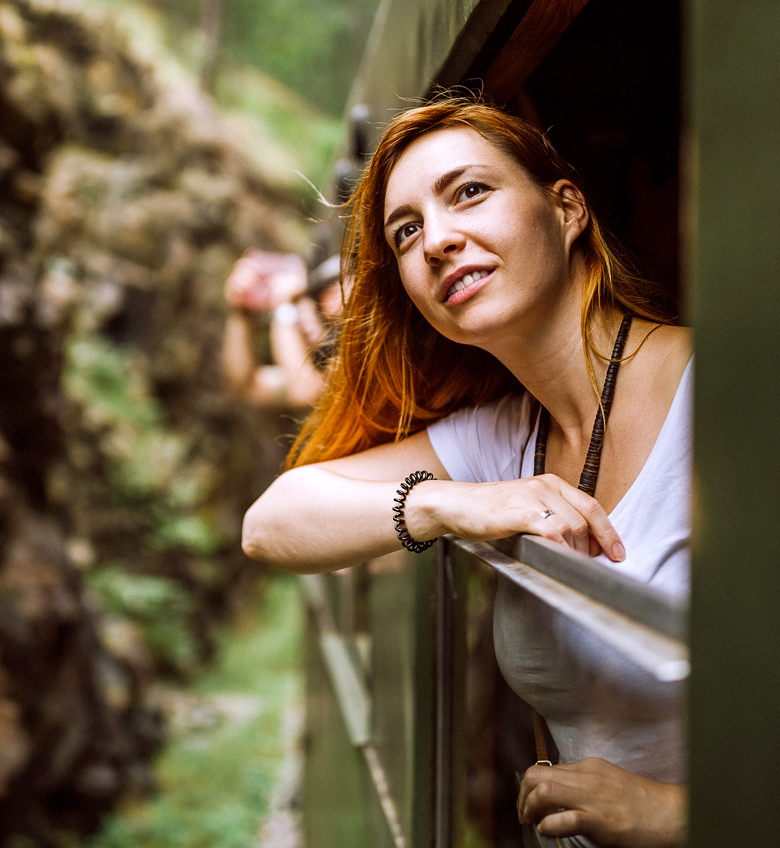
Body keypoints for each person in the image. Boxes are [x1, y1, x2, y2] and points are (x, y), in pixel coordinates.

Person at [242, 97, 691, 848]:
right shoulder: (506, 435)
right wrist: (443, 504)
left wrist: (673, 816)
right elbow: (271, 523)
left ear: (568, 208)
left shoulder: (720, 398)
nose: (438, 241)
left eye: (470, 192)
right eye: (406, 230)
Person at [221, 249, 343, 409]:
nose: (305, 321)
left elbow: (305, 392)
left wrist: (283, 308)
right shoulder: (316, 364)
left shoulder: (358, 357)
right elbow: (246, 384)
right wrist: (241, 312)